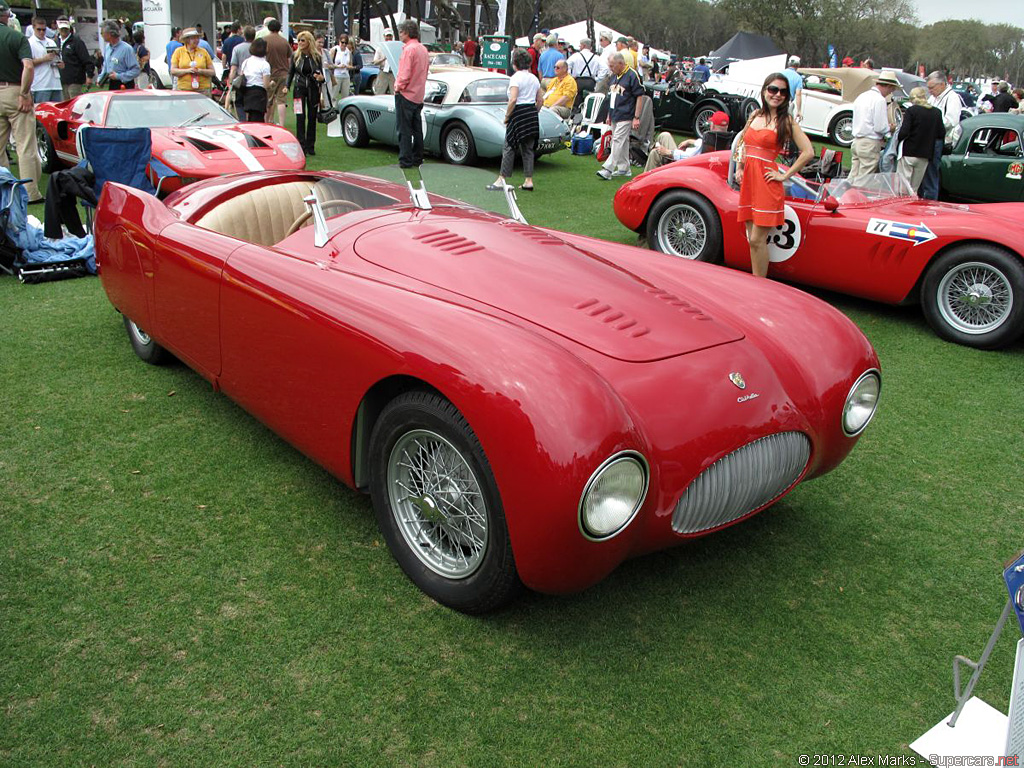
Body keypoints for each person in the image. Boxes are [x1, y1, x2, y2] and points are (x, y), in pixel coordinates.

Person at [733, 73, 814, 277]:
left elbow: (808, 152)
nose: (777, 94)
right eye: (773, 89)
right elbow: (742, 142)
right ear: (764, 90)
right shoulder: (754, 115)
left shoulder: (786, 121)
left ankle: (760, 285)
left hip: (767, 182)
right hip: (749, 181)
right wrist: (739, 168)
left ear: (787, 96)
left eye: (783, 91)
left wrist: (784, 176)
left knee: (756, 239)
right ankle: (756, 282)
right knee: (752, 238)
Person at [0, 0, 42, 203]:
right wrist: (24, 93)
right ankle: (30, 192)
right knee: (25, 145)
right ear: (6, 15)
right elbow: (28, 66)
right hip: (15, 90)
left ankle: (5, 190)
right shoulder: (16, 37)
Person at [487, 47, 543, 192]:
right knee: (528, 149)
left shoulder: (516, 78)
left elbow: (513, 100)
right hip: (531, 112)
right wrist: (533, 112)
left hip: (518, 112)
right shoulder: (534, 78)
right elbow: (540, 100)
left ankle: (502, 179)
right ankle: (528, 180)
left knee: (509, 146)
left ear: (515, 63)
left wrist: (506, 117)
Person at [596, 52, 645, 180]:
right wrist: (609, 114)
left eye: (612, 66)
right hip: (614, 113)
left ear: (620, 64)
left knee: (617, 140)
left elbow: (639, 96)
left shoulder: (632, 75)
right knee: (621, 142)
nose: (611, 68)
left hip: (626, 114)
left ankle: (608, 168)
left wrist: (636, 117)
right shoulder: (614, 76)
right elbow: (612, 96)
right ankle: (624, 168)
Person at [848, 70, 899, 184]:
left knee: (853, 176)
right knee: (863, 179)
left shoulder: (862, 96)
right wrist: (890, 128)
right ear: (889, 86)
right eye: (892, 89)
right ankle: (855, 200)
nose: (891, 92)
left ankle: (843, 198)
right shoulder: (879, 100)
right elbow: (880, 127)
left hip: (856, 141)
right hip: (869, 142)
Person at [644, 110, 731, 172]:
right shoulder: (726, 140)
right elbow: (701, 144)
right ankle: (650, 148)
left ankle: (643, 183)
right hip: (696, 165)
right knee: (665, 135)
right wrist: (689, 141)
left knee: (655, 153)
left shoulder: (710, 139)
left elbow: (689, 158)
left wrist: (668, 152)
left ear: (712, 126)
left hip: (684, 166)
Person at [920, 70, 962, 200]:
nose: (930, 91)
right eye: (928, 88)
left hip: (940, 140)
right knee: (925, 173)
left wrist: (930, 124)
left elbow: (951, 121)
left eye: (932, 87)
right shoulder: (933, 97)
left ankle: (931, 201)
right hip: (929, 139)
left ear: (942, 84)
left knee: (932, 174)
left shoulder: (952, 98)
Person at [895, 86, 944, 195]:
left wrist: (897, 139)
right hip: (925, 154)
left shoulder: (912, 111)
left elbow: (904, 132)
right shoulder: (937, 112)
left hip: (909, 151)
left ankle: (901, 208)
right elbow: (941, 133)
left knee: (903, 187)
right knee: (914, 188)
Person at [394, 19, 428, 169]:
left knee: (404, 129)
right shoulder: (423, 49)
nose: (400, 34)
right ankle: (417, 157)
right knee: (417, 129)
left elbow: (405, 74)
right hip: (418, 94)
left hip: (406, 94)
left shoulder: (409, 50)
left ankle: (405, 160)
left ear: (407, 32)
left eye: (401, 32)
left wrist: (398, 87)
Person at [288, 31, 324, 156]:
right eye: (299, 40)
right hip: (299, 89)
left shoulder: (317, 57)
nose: (300, 43)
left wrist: (321, 78)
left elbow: (321, 74)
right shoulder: (295, 56)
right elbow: (290, 72)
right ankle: (301, 145)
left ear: (309, 41)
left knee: (312, 117)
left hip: (313, 89)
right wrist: (286, 86)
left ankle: (310, 145)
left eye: (303, 40)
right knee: (300, 117)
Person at [170, 27, 214, 97]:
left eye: (197, 38)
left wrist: (200, 71)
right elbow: (173, 71)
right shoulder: (178, 52)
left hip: (203, 90)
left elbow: (212, 72)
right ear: (187, 40)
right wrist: (188, 71)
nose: (197, 40)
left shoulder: (203, 52)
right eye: (193, 38)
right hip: (184, 90)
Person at [56, 17, 92, 100]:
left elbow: (86, 60)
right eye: (62, 29)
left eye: (65, 29)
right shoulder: (55, 42)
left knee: (74, 104)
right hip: (60, 79)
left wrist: (89, 76)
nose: (64, 31)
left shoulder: (77, 42)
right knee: (64, 104)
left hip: (75, 80)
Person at [264, 19, 291, 126]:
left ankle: (266, 122)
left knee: (268, 101)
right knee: (281, 101)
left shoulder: (264, 40)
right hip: (283, 74)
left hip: (268, 74)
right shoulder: (284, 41)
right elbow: (289, 58)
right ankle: (282, 124)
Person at [98, 20, 139, 90]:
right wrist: (100, 79)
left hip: (125, 85)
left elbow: (136, 70)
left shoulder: (126, 49)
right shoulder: (107, 48)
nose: (101, 34)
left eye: (102, 32)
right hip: (112, 85)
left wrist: (118, 76)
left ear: (110, 34)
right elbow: (105, 66)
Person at [28, 17, 61, 104]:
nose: (42, 32)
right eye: (39, 29)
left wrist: (60, 63)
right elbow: (28, 63)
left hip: (55, 83)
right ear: (33, 28)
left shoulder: (51, 42)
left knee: (57, 114)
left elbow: (58, 59)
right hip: (40, 85)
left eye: (44, 30)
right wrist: (43, 59)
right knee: (42, 114)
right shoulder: (30, 43)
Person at [225, 25, 254, 119]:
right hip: (254, 79)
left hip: (240, 80)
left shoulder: (237, 48)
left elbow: (233, 68)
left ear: (244, 36)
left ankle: (242, 121)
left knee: (239, 103)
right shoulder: (257, 48)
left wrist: (230, 81)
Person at [238, 37, 270, 123]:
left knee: (250, 119)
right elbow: (266, 85)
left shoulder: (246, 62)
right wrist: (272, 84)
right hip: (259, 93)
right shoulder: (265, 64)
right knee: (258, 120)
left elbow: (242, 75)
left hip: (247, 92)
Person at [325, 33, 352, 100]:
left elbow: (351, 64)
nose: (344, 45)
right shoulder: (334, 50)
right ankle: (333, 109)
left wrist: (348, 66)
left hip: (346, 76)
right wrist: (338, 66)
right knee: (334, 95)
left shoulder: (348, 51)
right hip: (336, 75)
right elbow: (328, 65)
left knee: (345, 96)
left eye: (346, 43)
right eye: (342, 42)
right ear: (339, 41)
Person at [782, 55, 803, 121]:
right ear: (798, 65)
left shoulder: (780, 73)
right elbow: (798, 94)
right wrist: (799, 110)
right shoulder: (798, 78)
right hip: (787, 104)